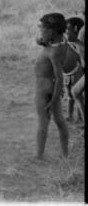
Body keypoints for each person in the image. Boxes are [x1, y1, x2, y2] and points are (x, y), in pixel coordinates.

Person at [35, 13, 69, 160]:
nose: (40, 31)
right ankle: (65, 153)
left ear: (51, 32)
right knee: (59, 120)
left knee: (43, 120)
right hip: (52, 86)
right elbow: (53, 43)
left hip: (43, 87)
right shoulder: (62, 43)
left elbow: (60, 76)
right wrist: (43, 42)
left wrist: (53, 99)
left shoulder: (53, 52)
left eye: (42, 29)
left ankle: (39, 155)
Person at [63, 17, 84, 122]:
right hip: (72, 74)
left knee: (75, 92)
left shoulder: (80, 45)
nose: (65, 31)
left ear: (75, 28)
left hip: (78, 73)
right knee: (73, 94)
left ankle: (80, 118)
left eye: (67, 28)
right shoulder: (72, 44)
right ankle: (75, 116)